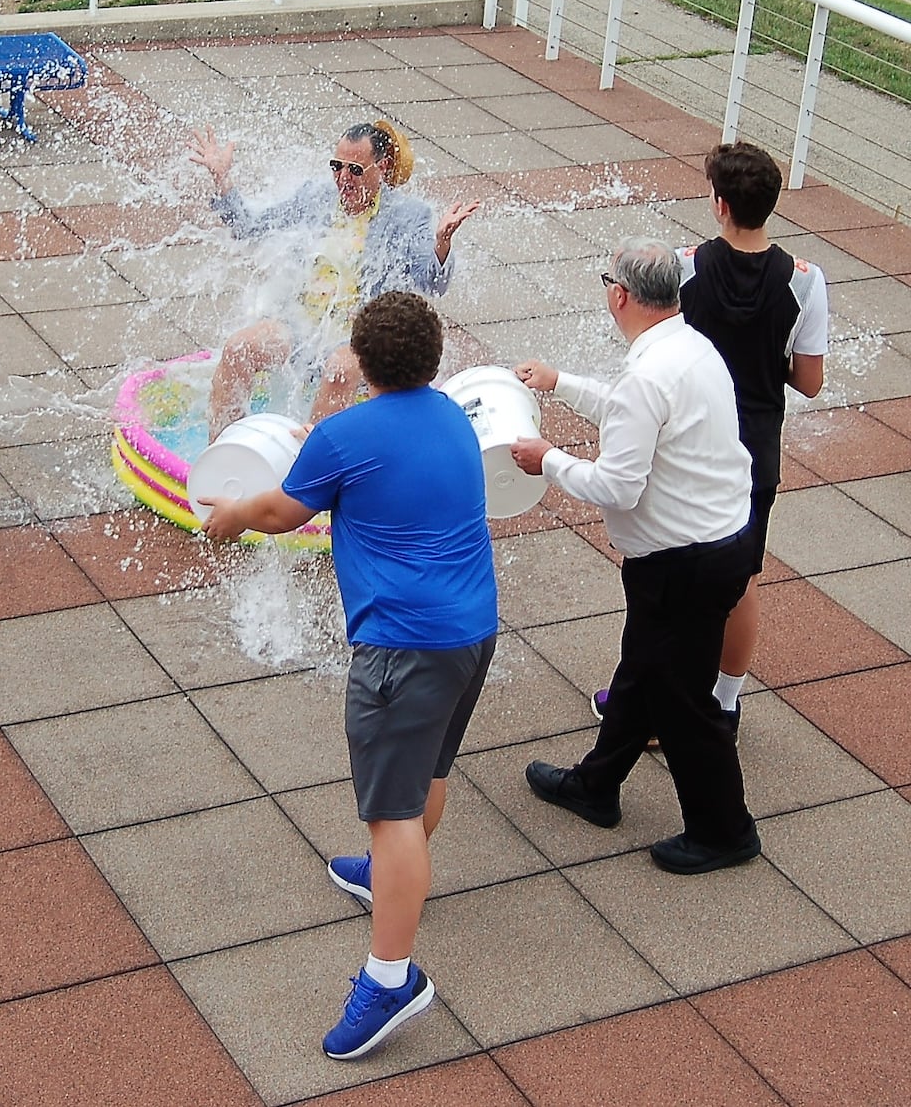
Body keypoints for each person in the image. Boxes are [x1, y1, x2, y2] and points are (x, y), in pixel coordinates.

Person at [200, 292, 497, 1061]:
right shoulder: (453, 417)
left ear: (360, 363)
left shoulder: (347, 434)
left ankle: (392, 978)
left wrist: (230, 515)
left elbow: (280, 513)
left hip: (403, 648)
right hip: (471, 631)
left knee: (390, 812)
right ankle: (388, 875)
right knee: (429, 768)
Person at [510, 237, 761, 876]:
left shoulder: (648, 374)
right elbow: (632, 409)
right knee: (645, 670)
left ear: (619, 294)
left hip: (680, 562)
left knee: (683, 702)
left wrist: (549, 461)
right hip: (723, 541)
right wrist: (561, 383)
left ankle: (724, 832)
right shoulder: (691, 346)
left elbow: (618, 484)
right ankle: (595, 786)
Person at [590, 142, 828, 732]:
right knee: (742, 576)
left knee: (669, 577)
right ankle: (723, 699)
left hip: (690, 432)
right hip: (756, 445)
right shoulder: (806, 280)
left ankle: (648, 698)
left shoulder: (688, 266)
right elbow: (811, 381)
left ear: (719, 204)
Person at [188, 120, 480, 437]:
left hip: (360, 335)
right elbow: (250, 226)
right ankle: (221, 457)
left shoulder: (408, 215)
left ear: (381, 167)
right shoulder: (315, 197)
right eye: (336, 167)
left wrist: (441, 243)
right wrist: (222, 180)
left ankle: (310, 475)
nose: (343, 179)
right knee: (237, 349)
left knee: (339, 372)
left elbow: (431, 283)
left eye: (355, 169)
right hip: (303, 325)